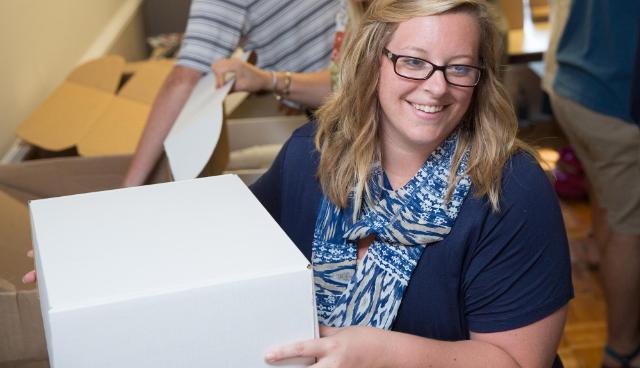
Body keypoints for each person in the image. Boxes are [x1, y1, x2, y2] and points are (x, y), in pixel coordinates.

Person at [249, 0, 573, 366]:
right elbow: (238, 251)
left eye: (460, 67)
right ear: (372, 61)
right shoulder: (310, 152)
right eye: (414, 62)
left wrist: (381, 355)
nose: (437, 87)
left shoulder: (513, 190)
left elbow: (519, 362)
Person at [122, 0, 340, 187]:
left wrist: (126, 191)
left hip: (346, 110)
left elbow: (183, 79)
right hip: (339, 90)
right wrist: (287, 86)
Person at [545, 1, 640, 367]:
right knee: (629, 227)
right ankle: (622, 350)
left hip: (576, 81)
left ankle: (605, 261)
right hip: (613, 98)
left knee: (609, 203)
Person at [209, 0, 369, 108]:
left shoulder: (388, 11)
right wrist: (270, 81)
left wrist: (272, 82)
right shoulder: (350, 9)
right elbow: (340, 84)